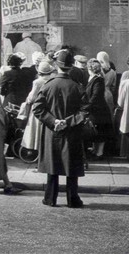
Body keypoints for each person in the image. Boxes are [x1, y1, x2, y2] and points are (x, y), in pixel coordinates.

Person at [33, 50, 88, 208]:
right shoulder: (77, 87)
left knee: (53, 166)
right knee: (72, 167)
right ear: (71, 67)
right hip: (72, 132)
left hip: (52, 131)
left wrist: (54, 121)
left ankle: (50, 198)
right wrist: (68, 121)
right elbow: (84, 110)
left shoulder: (48, 85)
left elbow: (37, 109)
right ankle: (73, 199)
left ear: (57, 66)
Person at [19, 60, 55, 155]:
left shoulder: (37, 82)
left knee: (35, 130)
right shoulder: (53, 80)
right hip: (50, 109)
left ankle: (36, 149)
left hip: (37, 108)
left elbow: (32, 97)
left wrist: (27, 101)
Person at [85, 59, 113, 160]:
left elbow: (95, 96)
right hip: (97, 109)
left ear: (90, 69)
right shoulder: (94, 78)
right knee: (97, 132)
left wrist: (87, 106)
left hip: (99, 110)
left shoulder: (98, 80)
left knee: (100, 132)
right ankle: (95, 151)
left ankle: (99, 153)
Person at [97, 51, 117, 115]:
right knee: (110, 113)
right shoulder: (113, 72)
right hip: (108, 94)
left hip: (99, 93)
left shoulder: (97, 71)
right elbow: (113, 87)